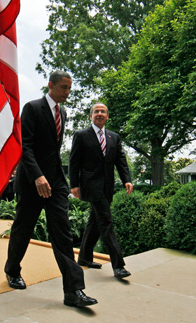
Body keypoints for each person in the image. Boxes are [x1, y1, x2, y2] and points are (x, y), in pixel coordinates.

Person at [4, 70, 97, 307]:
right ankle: (12, 270)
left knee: (63, 233)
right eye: (64, 88)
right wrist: (37, 176)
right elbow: (24, 146)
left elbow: (53, 151)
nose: (68, 92)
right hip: (31, 182)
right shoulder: (32, 108)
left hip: (55, 182)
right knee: (23, 229)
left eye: (69, 88)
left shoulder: (63, 113)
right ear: (51, 86)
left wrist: (61, 182)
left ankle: (73, 291)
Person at [69, 103, 133, 279]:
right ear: (91, 116)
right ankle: (118, 265)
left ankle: (84, 257)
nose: (99, 114)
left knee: (95, 222)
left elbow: (120, 160)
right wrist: (74, 184)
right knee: (105, 222)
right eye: (96, 111)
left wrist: (127, 179)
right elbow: (74, 162)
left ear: (107, 116)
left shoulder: (114, 137)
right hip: (90, 186)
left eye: (103, 111)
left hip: (108, 186)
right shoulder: (81, 135)